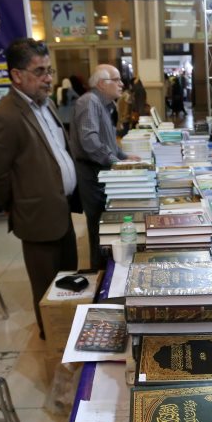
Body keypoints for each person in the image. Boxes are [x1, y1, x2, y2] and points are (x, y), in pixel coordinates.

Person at [0, 39, 80, 340]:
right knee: (46, 285)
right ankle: (52, 339)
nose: (48, 78)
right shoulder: (6, 116)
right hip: (37, 216)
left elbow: (56, 151)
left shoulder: (46, 103)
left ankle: (70, 333)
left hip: (61, 209)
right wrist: (16, 206)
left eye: (49, 70)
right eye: (39, 71)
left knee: (69, 279)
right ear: (16, 75)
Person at [70, 64, 134, 270]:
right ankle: (99, 271)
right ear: (101, 83)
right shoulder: (89, 101)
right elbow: (89, 141)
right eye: (116, 79)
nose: (121, 83)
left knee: (105, 221)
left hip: (101, 170)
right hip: (91, 172)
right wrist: (115, 162)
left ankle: (105, 265)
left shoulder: (105, 104)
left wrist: (124, 157)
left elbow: (108, 142)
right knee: (98, 223)